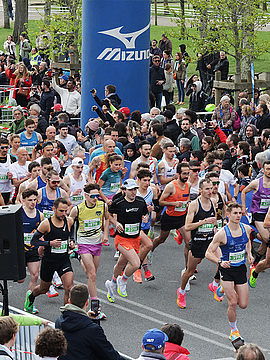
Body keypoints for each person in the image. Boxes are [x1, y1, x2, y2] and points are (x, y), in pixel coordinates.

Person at [205, 202, 253, 342]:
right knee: (232, 303)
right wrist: (220, 262)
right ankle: (233, 330)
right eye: (235, 213)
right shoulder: (222, 234)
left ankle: (222, 288)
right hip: (227, 270)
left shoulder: (246, 228)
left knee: (243, 304)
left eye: (240, 213)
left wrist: (249, 254)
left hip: (240, 269)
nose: (238, 216)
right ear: (228, 215)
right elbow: (208, 253)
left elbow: (247, 241)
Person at [24, 197, 75, 313]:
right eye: (61, 211)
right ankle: (31, 297)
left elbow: (72, 229)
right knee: (43, 288)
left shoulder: (69, 221)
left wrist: (71, 240)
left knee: (69, 287)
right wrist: (49, 243)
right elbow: (34, 241)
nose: (64, 214)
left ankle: (66, 315)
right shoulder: (46, 224)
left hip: (63, 260)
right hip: (49, 261)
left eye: (65, 211)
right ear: (54, 209)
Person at [105, 179, 148, 302]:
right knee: (135, 263)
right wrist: (116, 222)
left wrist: (145, 218)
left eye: (135, 189)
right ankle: (122, 280)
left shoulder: (141, 202)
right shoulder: (118, 203)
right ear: (124, 190)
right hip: (122, 239)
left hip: (135, 238)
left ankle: (112, 283)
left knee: (120, 263)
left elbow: (145, 214)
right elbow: (108, 214)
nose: (133, 192)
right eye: (130, 190)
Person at [70, 184, 109, 319]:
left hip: (97, 243)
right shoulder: (78, 209)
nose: (95, 198)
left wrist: (105, 233)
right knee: (92, 275)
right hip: (84, 244)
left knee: (90, 274)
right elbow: (70, 224)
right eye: (92, 196)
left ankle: (79, 258)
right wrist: (71, 240)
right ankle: (95, 308)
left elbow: (107, 217)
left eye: (97, 195)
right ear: (86, 196)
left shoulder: (102, 205)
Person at [55, 284, 124, 360]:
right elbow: (110, 355)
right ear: (87, 302)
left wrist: (88, 319)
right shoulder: (92, 330)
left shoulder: (59, 322)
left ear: (69, 301)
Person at [177, 179, 216, 309]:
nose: (210, 191)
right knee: (189, 271)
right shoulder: (195, 204)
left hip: (210, 242)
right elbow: (188, 226)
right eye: (207, 189)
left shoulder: (213, 202)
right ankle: (181, 291)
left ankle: (215, 285)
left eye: (211, 188)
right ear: (200, 190)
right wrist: (204, 221)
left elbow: (214, 223)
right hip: (198, 242)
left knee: (222, 262)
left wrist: (216, 233)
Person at [151, 163, 191, 268]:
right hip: (169, 217)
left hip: (182, 218)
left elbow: (188, 198)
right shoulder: (171, 186)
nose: (186, 176)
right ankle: (150, 250)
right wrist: (174, 203)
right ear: (178, 174)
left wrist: (188, 203)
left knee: (188, 242)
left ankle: (188, 267)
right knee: (161, 239)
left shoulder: (188, 185)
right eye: (184, 174)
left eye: (188, 173)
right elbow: (160, 202)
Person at [241, 161, 270, 269]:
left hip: (269, 215)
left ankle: (256, 263)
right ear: (263, 170)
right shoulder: (257, 182)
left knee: (264, 240)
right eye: (267, 169)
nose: (269, 171)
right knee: (267, 239)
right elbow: (244, 191)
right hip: (258, 214)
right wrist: (243, 206)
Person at [0, 137, 16, 204]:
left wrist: (12, 176)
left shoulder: (12, 159)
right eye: (2, 148)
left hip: (7, 190)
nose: (5, 149)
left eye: (7, 147)